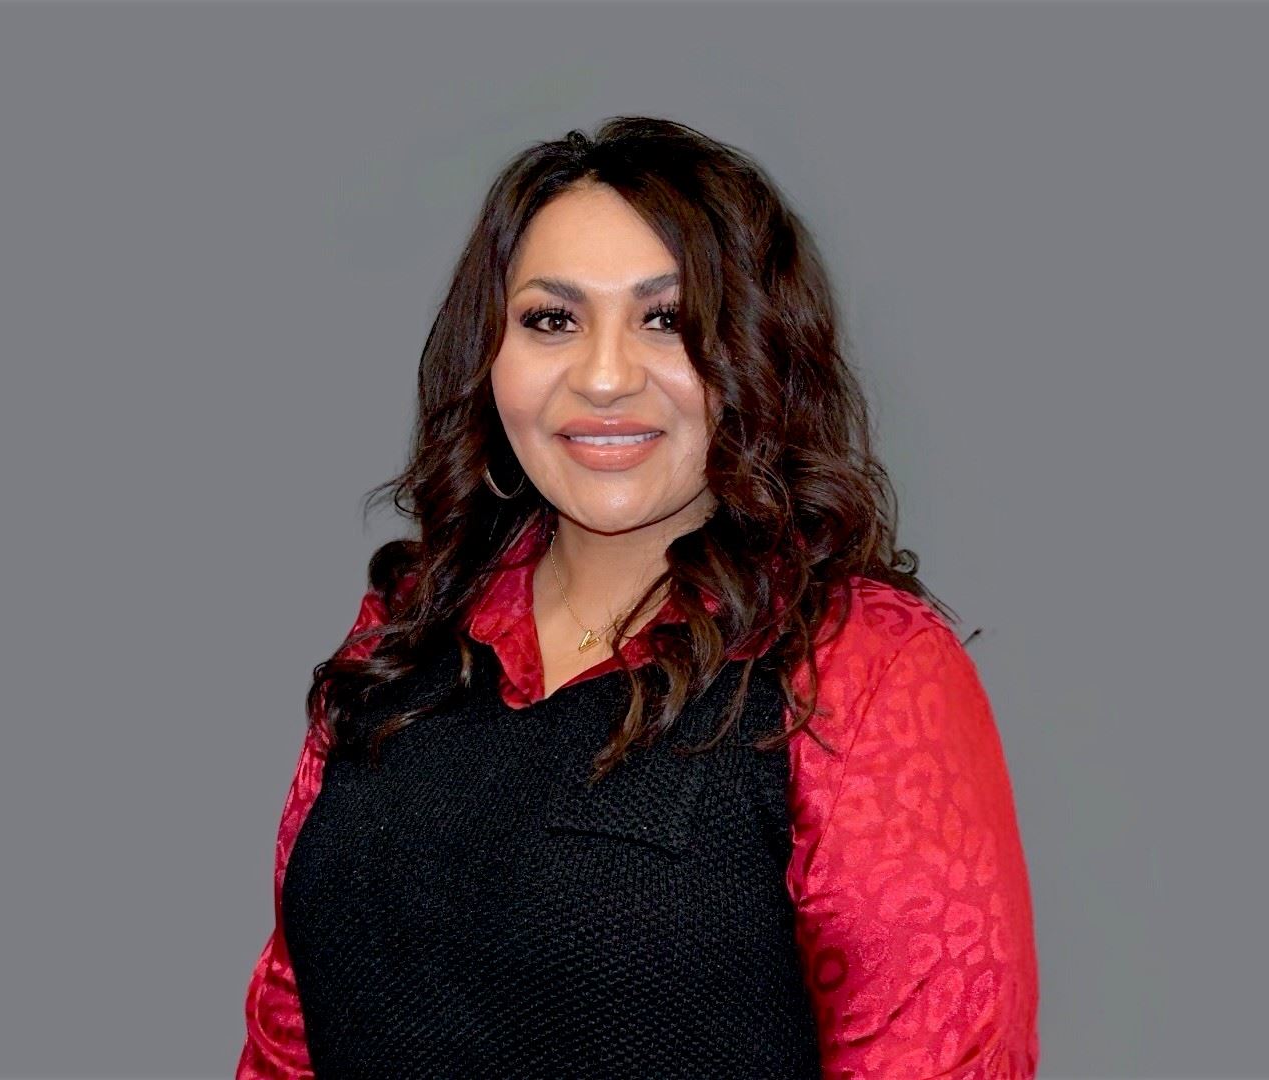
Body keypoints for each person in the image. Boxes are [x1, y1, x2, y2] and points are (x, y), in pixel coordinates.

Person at [237, 117, 1039, 1078]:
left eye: (666, 320)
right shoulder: (404, 633)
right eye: (552, 320)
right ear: (487, 357)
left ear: (758, 354)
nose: (605, 377)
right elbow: (286, 1038)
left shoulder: (860, 670)